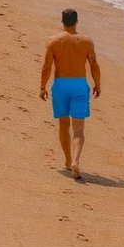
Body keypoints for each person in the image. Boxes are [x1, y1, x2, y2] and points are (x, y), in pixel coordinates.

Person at [40, 9, 101, 179]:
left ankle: (67, 161)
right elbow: (94, 66)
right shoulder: (86, 42)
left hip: (60, 85)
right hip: (79, 85)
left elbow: (46, 67)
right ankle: (76, 160)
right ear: (77, 21)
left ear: (62, 21)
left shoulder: (53, 41)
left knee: (63, 124)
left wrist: (42, 87)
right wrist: (98, 84)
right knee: (79, 129)